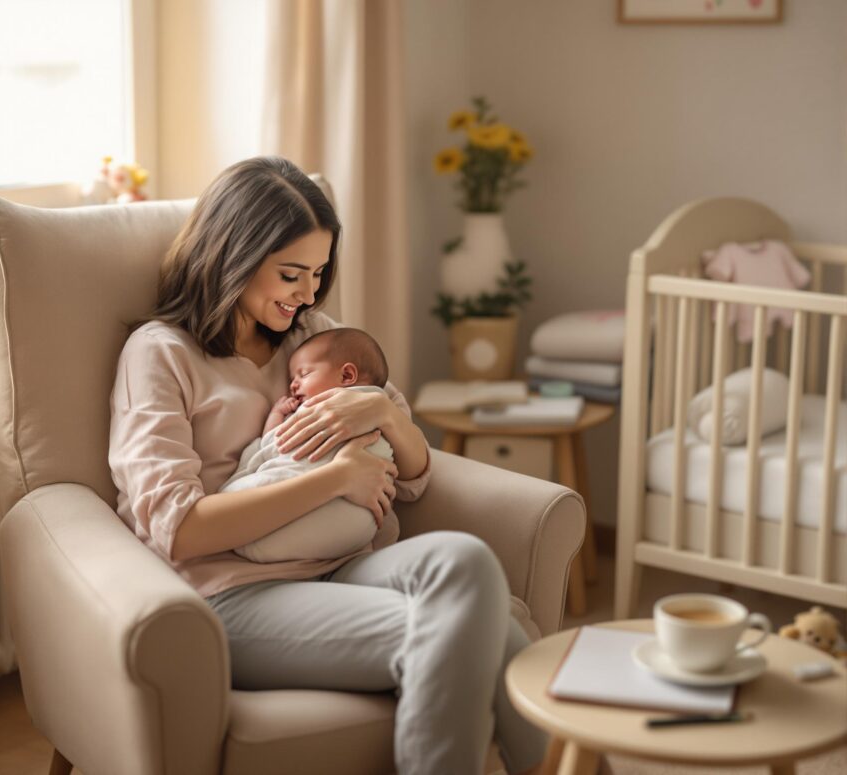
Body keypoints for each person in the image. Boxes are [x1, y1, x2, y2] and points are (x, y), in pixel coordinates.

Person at [108, 156, 546, 775]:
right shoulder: (159, 355)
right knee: (462, 626)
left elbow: (414, 476)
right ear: (234, 255)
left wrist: (389, 419)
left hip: (342, 566)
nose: (309, 293)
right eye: (291, 273)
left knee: (467, 562)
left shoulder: (312, 335)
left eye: (317, 273)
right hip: (233, 595)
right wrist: (337, 478)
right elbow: (179, 529)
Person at [223, 328, 394, 563]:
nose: (293, 385)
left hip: (320, 518)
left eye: (303, 374)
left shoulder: (325, 408)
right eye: (292, 379)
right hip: (357, 529)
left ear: (346, 377)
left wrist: (276, 417)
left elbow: (275, 442)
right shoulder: (384, 414)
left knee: (233, 496)